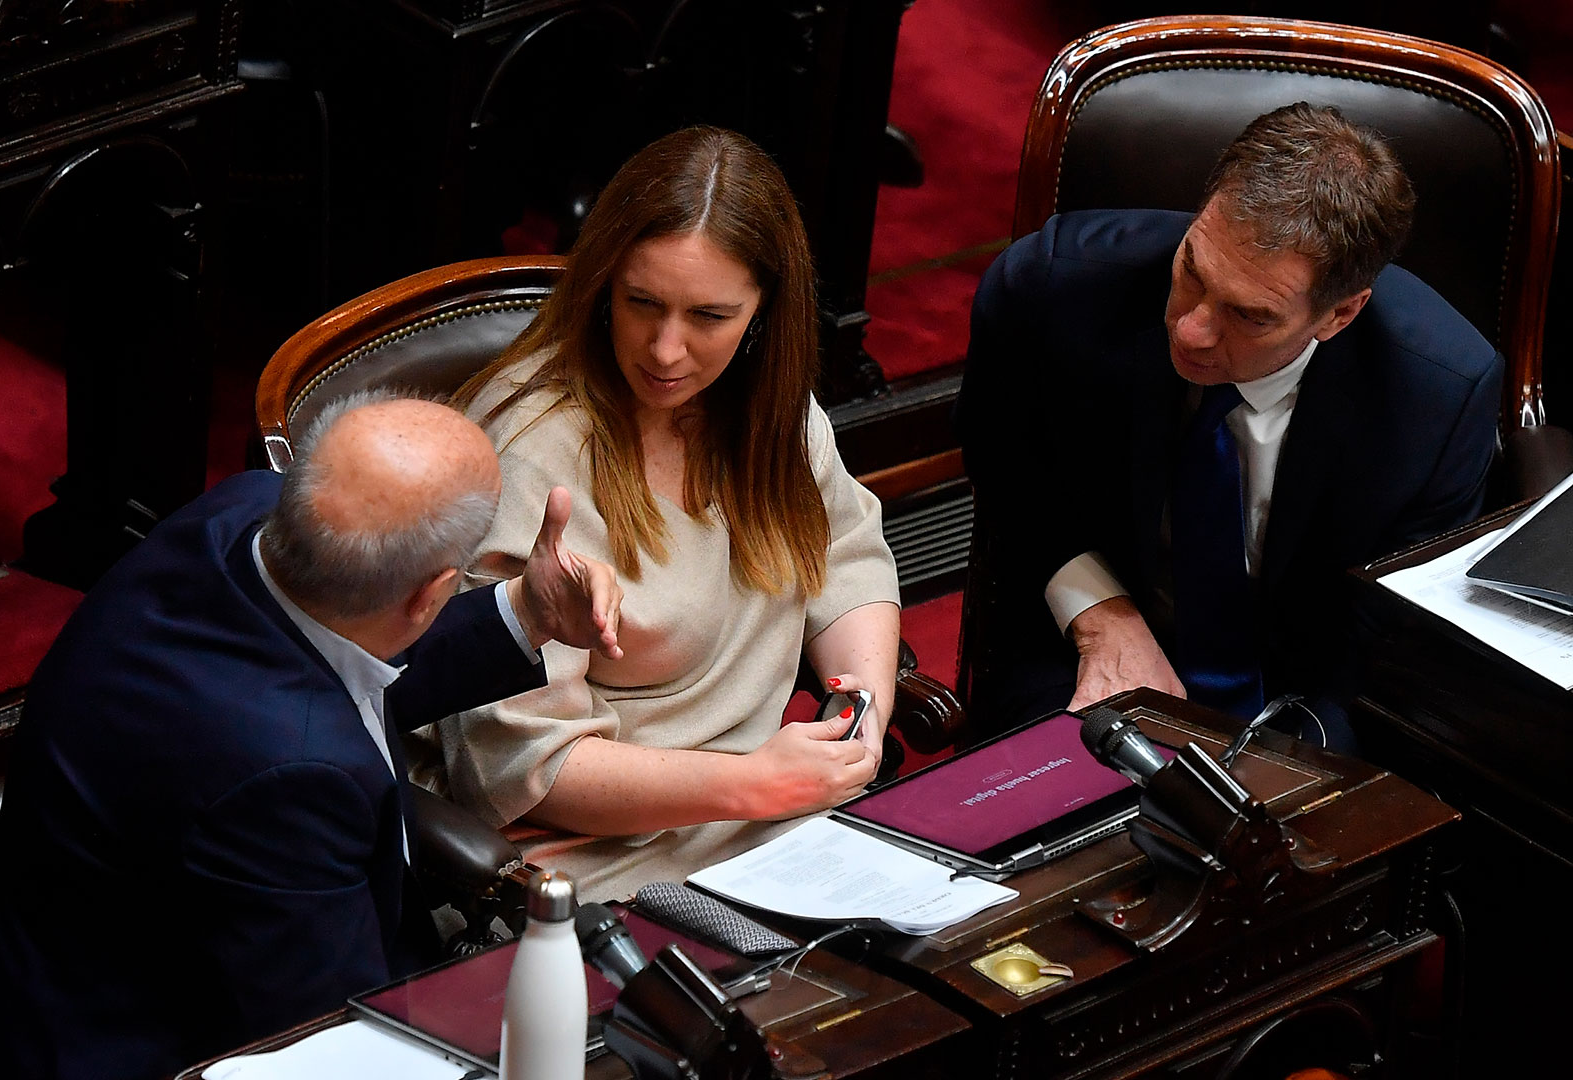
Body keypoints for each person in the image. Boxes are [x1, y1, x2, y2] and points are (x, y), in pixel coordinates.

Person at [0, 393, 623, 1080]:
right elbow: (330, 1040)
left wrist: (526, 609)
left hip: (111, 932)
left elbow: (348, 651)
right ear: (431, 595)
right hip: (140, 1041)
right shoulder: (287, 776)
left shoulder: (246, 512)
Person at [424, 126, 901, 900]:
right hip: (595, 868)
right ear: (602, 281)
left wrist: (863, 717)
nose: (666, 351)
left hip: (775, 823)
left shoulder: (770, 408)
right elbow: (518, 767)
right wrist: (750, 785)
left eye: (709, 317)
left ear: (764, 313)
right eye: (641, 303)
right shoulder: (534, 452)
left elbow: (846, 560)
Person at [957, 102, 1503, 747]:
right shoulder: (1053, 288)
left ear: (1339, 315)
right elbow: (1008, 469)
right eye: (1192, 269)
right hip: (1081, 639)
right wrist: (1102, 615)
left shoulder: (1436, 395)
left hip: (1305, 695)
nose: (1191, 329)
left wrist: (1280, 767)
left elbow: (1390, 635)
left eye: (1250, 315)